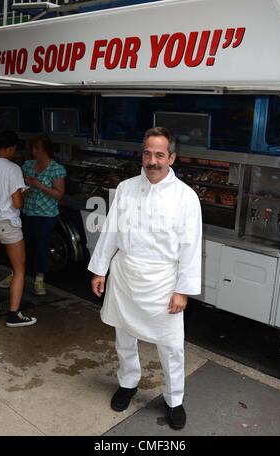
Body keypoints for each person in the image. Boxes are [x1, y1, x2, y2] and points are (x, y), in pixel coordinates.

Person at [88, 127, 202, 430]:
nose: (152, 160)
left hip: (164, 281)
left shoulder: (186, 197)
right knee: (124, 335)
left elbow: (191, 246)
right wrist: (100, 269)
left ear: (172, 158)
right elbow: (111, 229)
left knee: (171, 345)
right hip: (126, 275)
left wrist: (183, 290)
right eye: (147, 153)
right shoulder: (126, 188)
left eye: (159, 155)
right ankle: (128, 383)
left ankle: (174, 399)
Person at [0, 134, 66, 295]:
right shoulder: (27, 165)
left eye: (37, 148)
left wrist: (39, 185)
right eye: (33, 148)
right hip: (27, 211)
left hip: (46, 215)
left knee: (41, 247)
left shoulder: (56, 169)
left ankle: (39, 280)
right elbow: (18, 188)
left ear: (46, 150)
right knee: (21, 246)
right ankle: (15, 274)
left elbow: (59, 194)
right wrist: (24, 191)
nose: (34, 152)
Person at [0, 130, 37, 327]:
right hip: (7, 222)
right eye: (15, 149)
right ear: (10, 148)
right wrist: (24, 193)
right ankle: (13, 315)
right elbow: (17, 203)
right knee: (19, 269)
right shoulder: (13, 169)